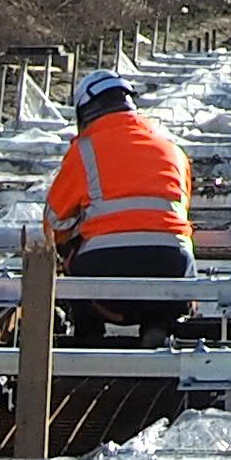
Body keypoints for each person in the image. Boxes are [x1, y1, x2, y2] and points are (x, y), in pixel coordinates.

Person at [44, 69, 195, 340]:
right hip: (171, 265)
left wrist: (69, 242)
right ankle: (158, 327)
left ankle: (88, 335)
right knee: (178, 257)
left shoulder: (84, 150)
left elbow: (55, 221)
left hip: (104, 269)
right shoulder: (173, 150)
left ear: (85, 113)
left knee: (72, 258)